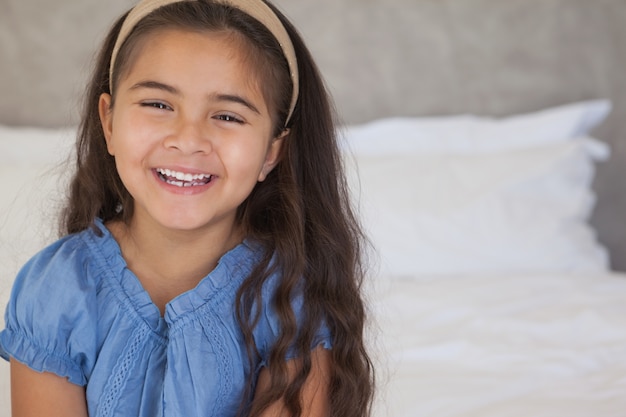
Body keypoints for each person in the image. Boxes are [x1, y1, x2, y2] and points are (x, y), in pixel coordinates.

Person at [0, 0, 374, 416]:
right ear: (109, 123)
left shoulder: (292, 301)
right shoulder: (56, 292)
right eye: (158, 105)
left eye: (228, 116)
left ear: (272, 151)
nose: (188, 139)